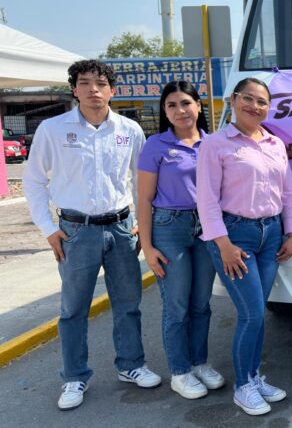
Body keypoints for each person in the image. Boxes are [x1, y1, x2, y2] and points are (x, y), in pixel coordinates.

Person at [22, 60, 161, 410]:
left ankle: (131, 365)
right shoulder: (53, 130)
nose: (93, 90)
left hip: (121, 228)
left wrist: (142, 225)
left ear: (112, 90)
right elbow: (34, 181)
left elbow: (142, 182)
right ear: (74, 89)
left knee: (128, 304)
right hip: (75, 232)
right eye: (84, 83)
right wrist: (49, 229)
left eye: (100, 83)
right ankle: (74, 377)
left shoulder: (129, 129)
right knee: (73, 309)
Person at [196, 77, 292, 416]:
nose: (255, 106)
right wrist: (222, 244)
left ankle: (254, 376)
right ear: (233, 100)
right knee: (252, 314)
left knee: (257, 313)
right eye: (248, 98)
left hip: (271, 234)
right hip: (234, 237)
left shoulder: (274, 143)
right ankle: (243, 386)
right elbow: (206, 199)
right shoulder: (215, 144)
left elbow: (288, 192)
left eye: (262, 102)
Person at [136, 81, 225, 400]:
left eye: (186, 103)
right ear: (165, 111)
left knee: (201, 303)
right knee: (177, 305)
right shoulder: (156, 145)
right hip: (169, 227)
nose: (180, 110)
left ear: (199, 106)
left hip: (206, 227)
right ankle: (180, 371)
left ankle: (199, 362)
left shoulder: (213, 144)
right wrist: (148, 247)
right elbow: (144, 199)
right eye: (171, 105)